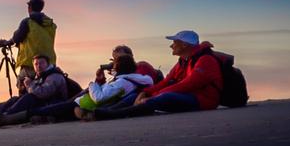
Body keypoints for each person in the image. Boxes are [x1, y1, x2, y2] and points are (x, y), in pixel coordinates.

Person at [95, 30, 223, 119]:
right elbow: (165, 82)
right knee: (138, 94)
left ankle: (118, 114)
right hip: (188, 96)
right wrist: (146, 92)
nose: (171, 46)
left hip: (204, 101)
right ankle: (109, 111)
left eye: (174, 42)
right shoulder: (183, 62)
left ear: (184, 44)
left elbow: (188, 85)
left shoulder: (206, 60)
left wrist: (152, 97)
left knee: (166, 96)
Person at [0, 54, 70, 126]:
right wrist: (25, 87)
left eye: (41, 63)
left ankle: (4, 117)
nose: (38, 66)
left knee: (29, 98)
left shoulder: (54, 76)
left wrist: (30, 85)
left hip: (52, 104)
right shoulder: (40, 76)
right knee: (15, 99)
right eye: (36, 64)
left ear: (48, 64)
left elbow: (43, 93)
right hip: (42, 103)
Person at [71, 47, 155, 120]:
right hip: (119, 96)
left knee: (133, 95)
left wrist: (143, 93)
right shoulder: (121, 75)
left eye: (118, 58)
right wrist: (100, 80)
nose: (115, 61)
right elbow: (109, 89)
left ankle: (99, 113)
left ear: (129, 56)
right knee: (86, 91)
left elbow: (148, 83)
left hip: (138, 95)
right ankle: (84, 109)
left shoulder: (141, 66)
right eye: (114, 58)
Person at [0, 0, 59, 82]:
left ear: (30, 8)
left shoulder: (28, 22)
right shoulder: (51, 25)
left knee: (24, 86)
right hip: (49, 65)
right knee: (46, 90)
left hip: (32, 64)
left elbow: (16, 38)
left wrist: (7, 42)